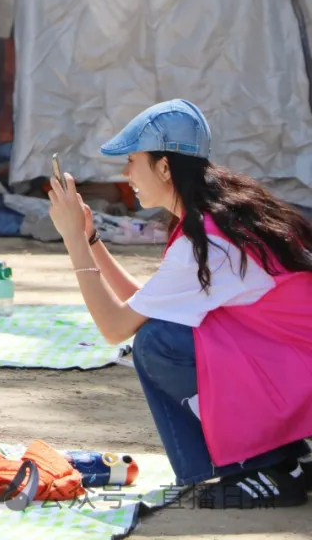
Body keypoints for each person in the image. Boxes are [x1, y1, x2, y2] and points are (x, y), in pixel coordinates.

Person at [47, 99, 312, 509]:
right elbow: (145, 304)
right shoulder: (216, 215)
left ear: (165, 167)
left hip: (296, 375)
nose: (126, 174)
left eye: (133, 161)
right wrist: (92, 241)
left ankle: (267, 467)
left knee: (158, 342)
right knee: (161, 332)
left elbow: (117, 327)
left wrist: (73, 242)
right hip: (291, 367)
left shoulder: (209, 240)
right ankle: (284, 458)